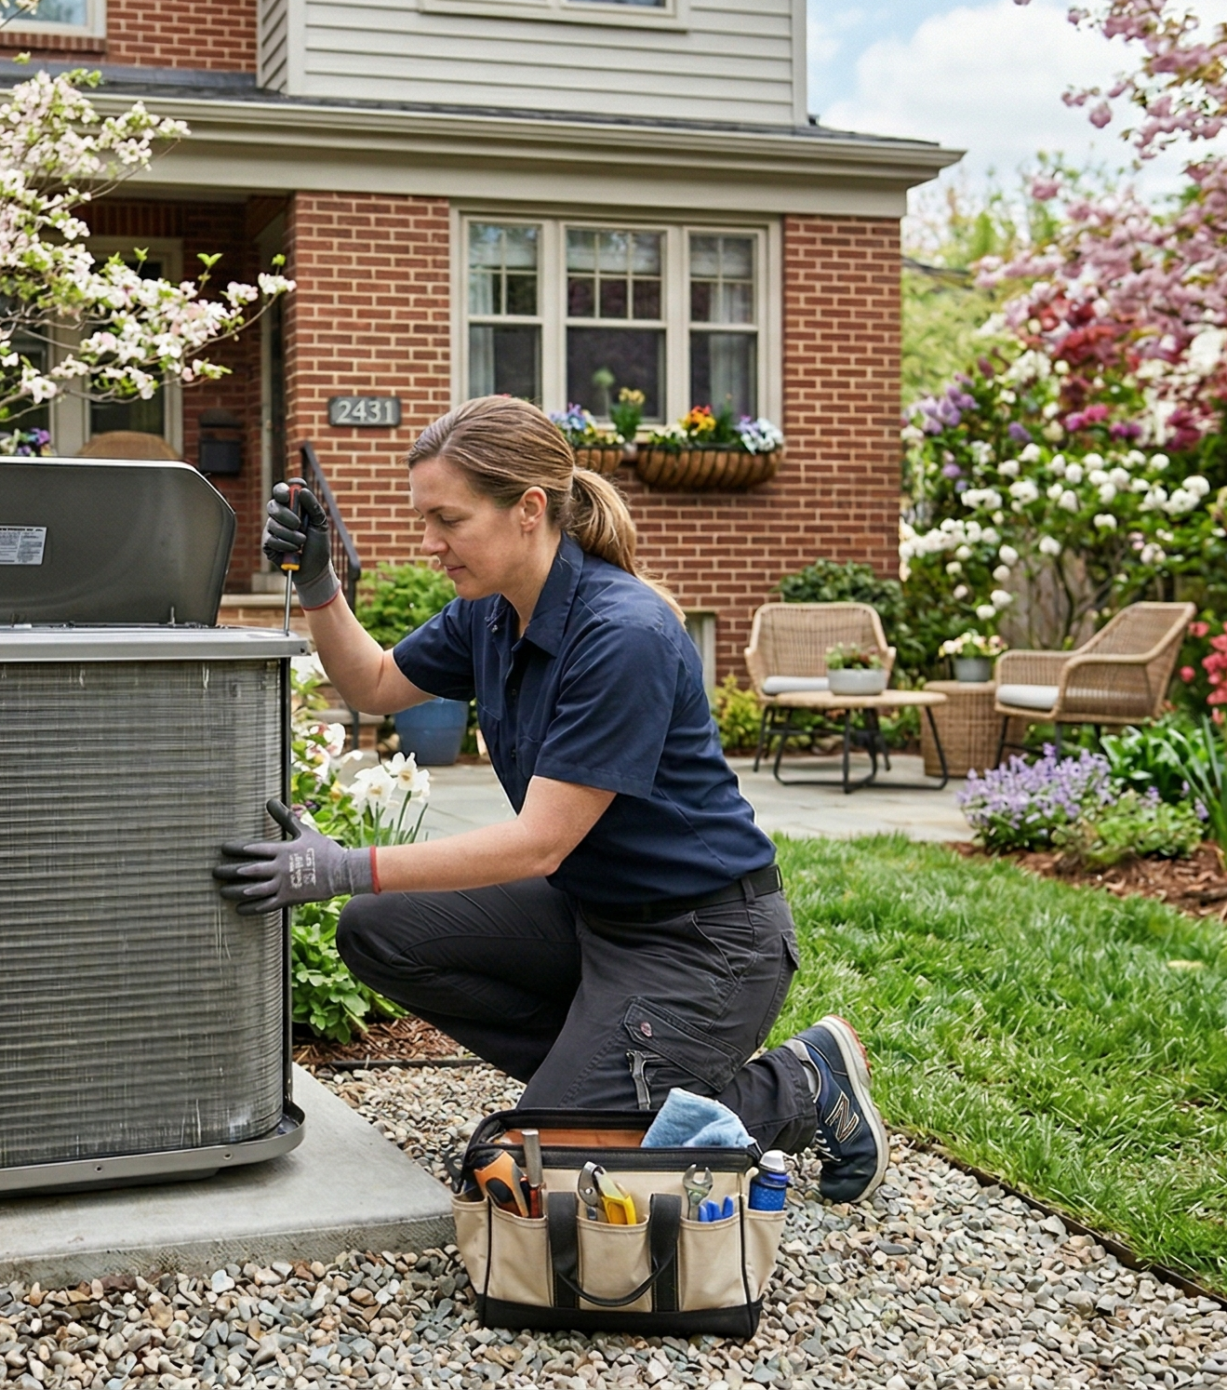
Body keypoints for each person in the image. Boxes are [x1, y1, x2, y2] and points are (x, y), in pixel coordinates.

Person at [213, 395, 887, 1202]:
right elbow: (376, 681)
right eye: (424, 517)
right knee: (380, 933)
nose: (429, 543)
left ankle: (804, 1082)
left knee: (529, 1175)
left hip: (703, 942)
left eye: (448, 520)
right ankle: (607, 1076)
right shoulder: (491, 615)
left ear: (529, 509)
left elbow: (540, 843)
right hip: (590, 914)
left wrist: (344, 864)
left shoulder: (620, 634)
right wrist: (321, 581)